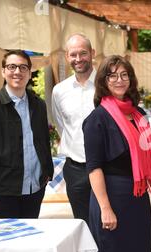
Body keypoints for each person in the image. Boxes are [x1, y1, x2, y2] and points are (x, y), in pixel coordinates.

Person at [83, 55, 151, 252]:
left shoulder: (139, 114)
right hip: (110, 197)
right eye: (112, 76)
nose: (119, 80)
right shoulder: (97, 119)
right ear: (103, 81)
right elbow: (94, 167)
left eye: (124, 75)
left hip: (137, 199)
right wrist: (105, 208)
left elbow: (148, 157)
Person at [0, 50, 53, 218]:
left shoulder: (39, 105)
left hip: (35, 190)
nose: (17, 72)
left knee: (29, 240)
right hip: (2, 193)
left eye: (23, 67)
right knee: (6, 244)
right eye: (12, 67)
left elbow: (43, 140)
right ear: (3, 71)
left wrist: (47, 172)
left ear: (30, 73)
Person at [51, 33, 96, 224]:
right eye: (73, 54)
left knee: (108, 222)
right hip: (75, 169)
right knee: (82, 223)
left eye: (83, 53)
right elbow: (62, 125)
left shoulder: (107, 85)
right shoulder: (59, 91)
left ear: (93, 53)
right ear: (67, 56)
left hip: (106, 166)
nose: (78, 59)